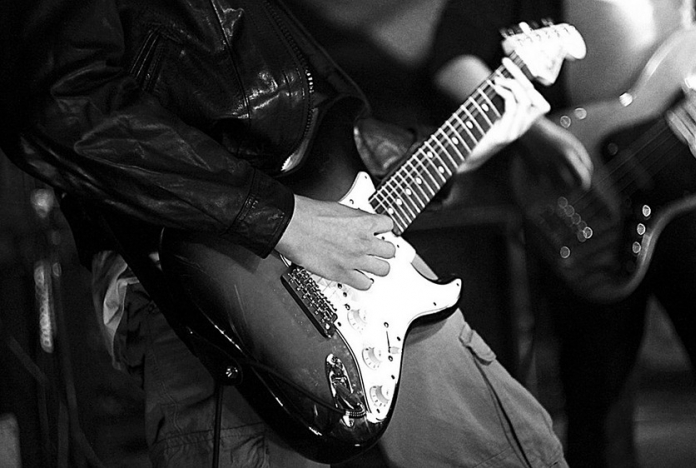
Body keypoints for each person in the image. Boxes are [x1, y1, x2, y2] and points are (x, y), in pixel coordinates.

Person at [0, 0, 569, 467]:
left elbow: (321, 137)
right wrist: (282, 221)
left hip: (361, 276)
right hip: (207, 285)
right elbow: (57, 99)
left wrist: (474, 135)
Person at [429, 0, 696, 467]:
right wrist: (532, 133)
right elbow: (451, 59)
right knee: (599, 418)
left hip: (695, 189)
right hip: (583, 195)